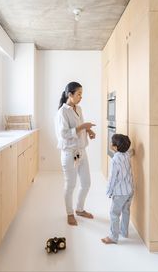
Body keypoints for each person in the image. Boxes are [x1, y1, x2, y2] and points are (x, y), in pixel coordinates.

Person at [55, 81, 96, 226]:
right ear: (70, 94)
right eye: (79, 94)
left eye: (81, 94)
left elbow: (81, 125)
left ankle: (79, 209)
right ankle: (70, 213)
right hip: (69, 153)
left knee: (86, 183)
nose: (81, 97)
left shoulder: (78, 108)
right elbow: (64, 134)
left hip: (81, 151)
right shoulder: (62, 112)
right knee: (70, 185)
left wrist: (88, 131)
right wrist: (82, 127)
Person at [101, 133, 134, 244]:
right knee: (126, 211)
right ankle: (124, 232)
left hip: (120, 192)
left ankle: (113, 237)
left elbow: (112, 178)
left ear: (115, 147)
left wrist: (109, 191)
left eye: (112, 142)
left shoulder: (115, 160)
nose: (110, 143)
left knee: (114, 213)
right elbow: (131, 151)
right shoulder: (126, 155)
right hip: (130, 190)